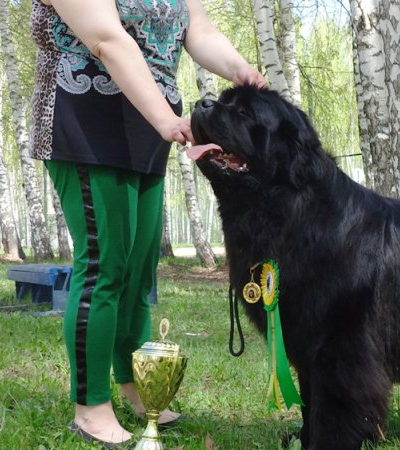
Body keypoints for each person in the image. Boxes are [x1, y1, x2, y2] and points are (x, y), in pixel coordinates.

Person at [30, 0, 266, 446]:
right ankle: (91, 405)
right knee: (104, 267)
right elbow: (106, 39)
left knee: (138, 273)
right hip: (84, 117)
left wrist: (241, 69)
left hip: (147, 124)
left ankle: (134, 386)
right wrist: (165, 118)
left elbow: (198, 31)